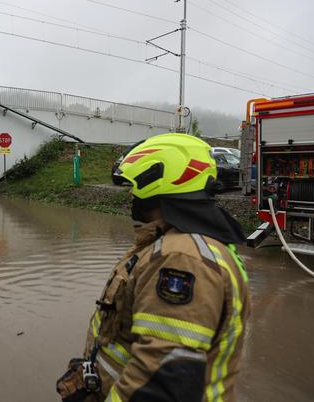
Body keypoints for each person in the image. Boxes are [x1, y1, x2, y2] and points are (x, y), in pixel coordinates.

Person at [57, 133, 250, 402]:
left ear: (157, 183)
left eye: (136, 188)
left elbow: (163, 380)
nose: (133, 198)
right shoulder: (182, 244)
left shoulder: (182, 258)